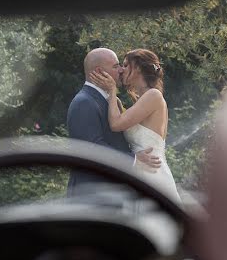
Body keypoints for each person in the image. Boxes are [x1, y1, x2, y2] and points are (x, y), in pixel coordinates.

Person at [88, 48, 181, 203]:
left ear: (137, 68)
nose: (121, 70)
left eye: (125, 65)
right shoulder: (143, 98)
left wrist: (112, 91)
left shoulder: (153, 95)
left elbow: (116, 124)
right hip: (141, 172)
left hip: (152, 175)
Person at [66, 48, 161, 195]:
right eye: (116, 66)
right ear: (99, 71)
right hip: (91, 196)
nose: (121, 70)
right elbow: (92, 149)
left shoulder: (110, 100)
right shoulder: (84, 102)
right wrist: (134, 160)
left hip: (113, 193)